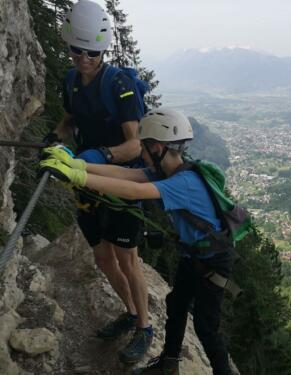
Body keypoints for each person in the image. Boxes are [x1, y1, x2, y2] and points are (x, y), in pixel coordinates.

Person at [40, 108, 236, 375]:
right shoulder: (170, 171)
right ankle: (169, 364)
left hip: (213, 261)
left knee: (205, 327)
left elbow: (135, 190)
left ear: (156, 147)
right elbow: (127, 176)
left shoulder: (184, 182)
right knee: (176, 304)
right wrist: (79, 164)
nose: (141, 153)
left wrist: (78, 177)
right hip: (195, 255)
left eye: (143, 148)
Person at [46, 0, 152, 363]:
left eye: (91, 51)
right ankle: (130, 312)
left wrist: (99, 157)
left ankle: (145, 329)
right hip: (85, 176)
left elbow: (135, 144)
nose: (83, 57)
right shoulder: (71, 80)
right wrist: (57, 137)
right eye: (77, 49)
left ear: (102, 49)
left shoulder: (119, 85)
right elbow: (70, 118)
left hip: (120, 180)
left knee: (127, 257)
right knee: (103, 256)